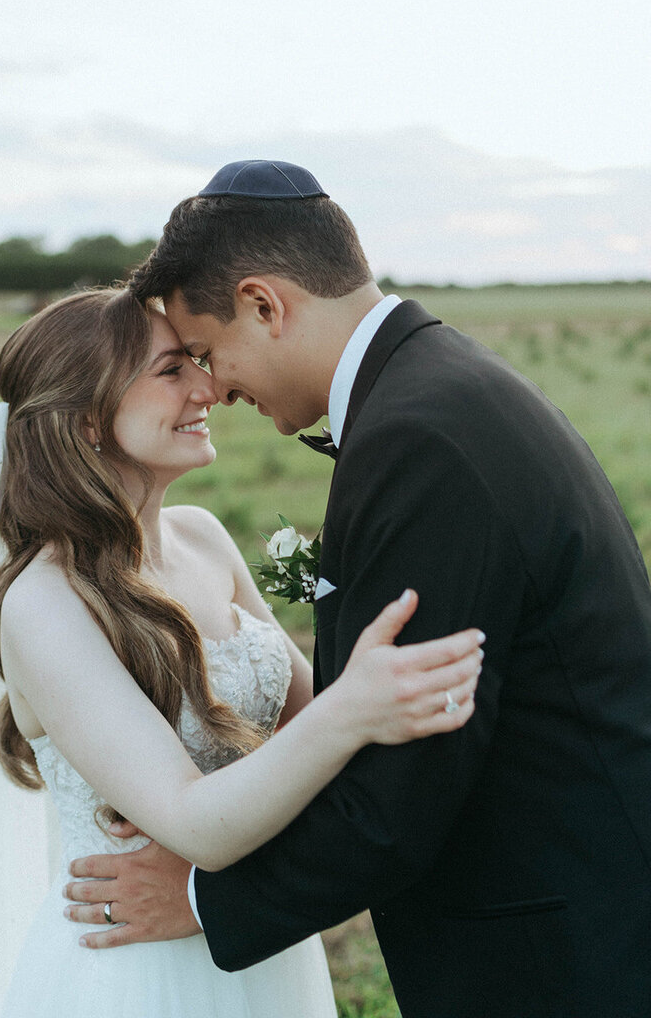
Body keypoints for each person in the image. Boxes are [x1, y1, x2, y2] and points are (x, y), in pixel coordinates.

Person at [65, 161, 651, 1018]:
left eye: (207, 352)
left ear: (265, 305)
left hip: (555, 947)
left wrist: (196, 900)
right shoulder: (442, 386)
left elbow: (404, 786)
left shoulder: (417, 437)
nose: (214, 388)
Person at [0, 285, 484, 1018]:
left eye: (198, 362)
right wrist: (354, 708)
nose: (208, 386)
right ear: (88, 419)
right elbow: (194, 821)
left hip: (257, 946)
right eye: (169, 371)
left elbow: (314, 726)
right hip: (136, 972)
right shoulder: (46, 601)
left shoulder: (205, 538)